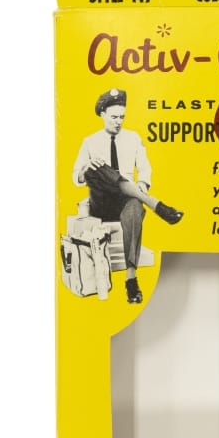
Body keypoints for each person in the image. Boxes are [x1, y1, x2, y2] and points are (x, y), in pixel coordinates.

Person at [72, 88, 184, 303]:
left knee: (135, 207)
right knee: (97, 167)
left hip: (125, 199)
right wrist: (86, 167)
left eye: (122, 117)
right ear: (102, 114)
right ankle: (157, 205)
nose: (118, 122)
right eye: (114, 117)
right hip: (100, 201)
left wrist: (141, 185)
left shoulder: (133, 138)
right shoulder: (90, 141)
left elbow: (144, 170)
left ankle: (131, 280)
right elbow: (75, 177)